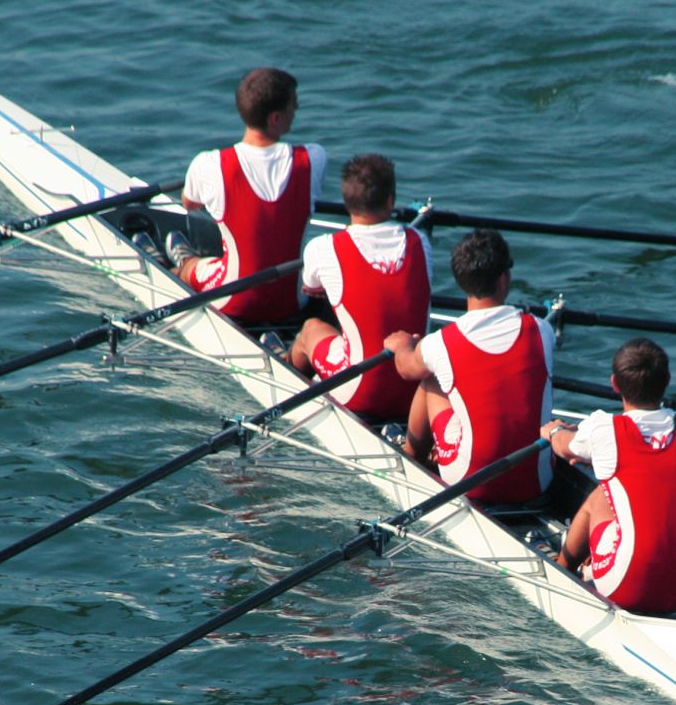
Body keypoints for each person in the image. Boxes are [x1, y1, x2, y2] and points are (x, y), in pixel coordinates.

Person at [383, 228, 555, 506]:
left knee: (431, 379)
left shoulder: (441, 344)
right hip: (537, 479)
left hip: (470, 482)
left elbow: (405, 369)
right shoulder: (542, 330)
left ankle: (412, 457)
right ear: (504, 279)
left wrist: (401, 345)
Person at [545, 338, 676, 614]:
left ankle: (563, 570)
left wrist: (553, 431)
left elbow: (562, 447)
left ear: (614, 384)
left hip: (628, 588)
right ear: (667, 380)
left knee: (599, 497)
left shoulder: (604, 430)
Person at [156, 66, 326, 322]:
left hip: (232, 301)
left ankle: (181, 265)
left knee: (196, 267)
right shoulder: (313, 158)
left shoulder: (209, 164)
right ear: (275, 119)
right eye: (294, 104)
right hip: (291, 302)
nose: (297, 109)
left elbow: (189, 203)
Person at [287, 154, 431, 422]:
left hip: (358, 392)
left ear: (347, 202)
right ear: (390, 200)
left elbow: (310, 288)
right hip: (414, 388)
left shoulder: (323, 247)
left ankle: (287, 377)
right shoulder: (420, 241)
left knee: (311, 329)